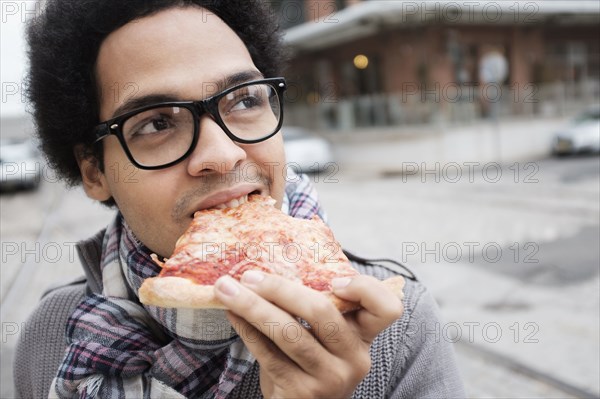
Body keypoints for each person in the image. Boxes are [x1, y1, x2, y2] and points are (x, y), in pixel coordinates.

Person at [15, 0, 466, 397]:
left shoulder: (398, 328)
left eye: (245, 99)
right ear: (94, 171)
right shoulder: (46, 341)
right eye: (155, 123)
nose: (223, 154)